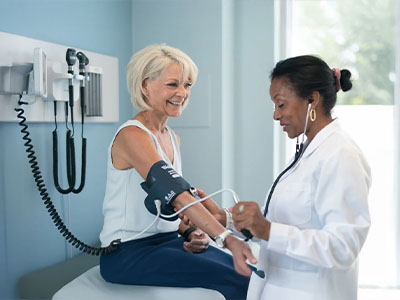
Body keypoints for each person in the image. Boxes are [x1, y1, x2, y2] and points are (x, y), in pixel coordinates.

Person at [202, 55, 371, 300]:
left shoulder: (341, 155)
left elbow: (343, 247)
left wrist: (269, 230)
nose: (275, 115)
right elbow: (289, 219)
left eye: (280, 104)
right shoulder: (308, 152)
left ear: (312, 100)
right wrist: (225, 219)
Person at [98, 44, 256, 300]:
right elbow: (179, 196)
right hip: (127, 254)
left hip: (169, 241)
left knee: (249, 273)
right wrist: (227, 238)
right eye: (173, 84)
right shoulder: (132, 136)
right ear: (144, 86)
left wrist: (192, 232)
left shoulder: (172, 138)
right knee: (239, 280)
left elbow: (170, 212)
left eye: (188, 85)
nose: (182, 93)